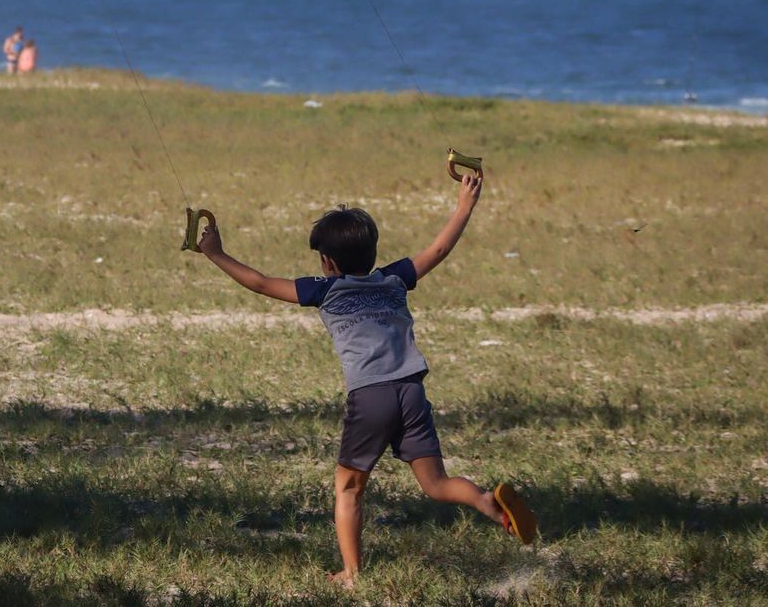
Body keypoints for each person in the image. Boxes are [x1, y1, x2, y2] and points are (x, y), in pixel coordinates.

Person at [198, 172, 536, 585]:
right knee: (436, 483)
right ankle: (486, 502)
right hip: (412, 391)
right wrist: (465, 205)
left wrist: (216, 253)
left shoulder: (324, 290)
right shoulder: (394, 278)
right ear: (373, 251)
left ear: (327, 262)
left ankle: (352, 572)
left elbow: (259, 282)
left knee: (349, 488)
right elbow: (439, 248)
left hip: (372, 397)